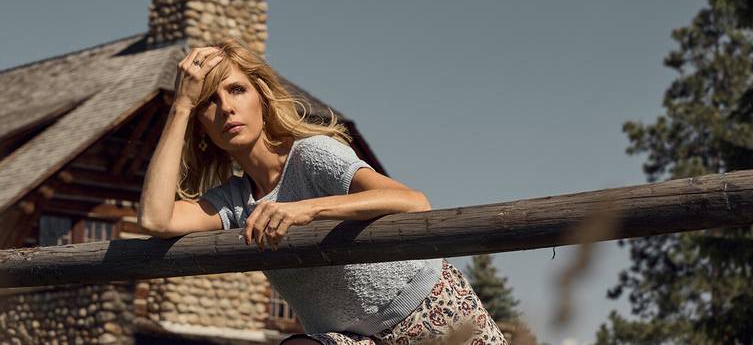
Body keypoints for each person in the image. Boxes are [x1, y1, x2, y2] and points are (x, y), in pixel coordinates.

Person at [138, 39, 507, 345]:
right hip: (352, 339)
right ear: (200, 125)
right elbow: (155, 219)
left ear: (261, 98)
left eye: (236, 90)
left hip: (432, 314)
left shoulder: (312, 154)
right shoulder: (234, 202)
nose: (227, 108)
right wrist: (182, 105)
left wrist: (307, 209)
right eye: (208, 101)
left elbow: (413, 202)